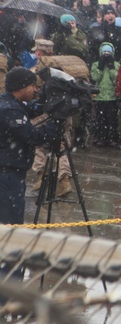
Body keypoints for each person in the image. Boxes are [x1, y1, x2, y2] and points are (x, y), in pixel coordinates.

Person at [0, 68, 59, 224]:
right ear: (21, 87)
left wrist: (50, 101)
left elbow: (32, 109)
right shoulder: (10, 110)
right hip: (7, 174)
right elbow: (33, 136)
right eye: (32, 85)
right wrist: (55, 125)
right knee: (10, 223)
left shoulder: (10, 103)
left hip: (11, 172)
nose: (35, 89)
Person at [90, 43, 120, 147]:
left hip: (112, 96)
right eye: (104, 52)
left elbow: (116, 79)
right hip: (100, 96)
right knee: (100, 119)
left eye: (108, 52)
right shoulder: (95, 64)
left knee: (112, 119)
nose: (106, 54)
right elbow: (95, 78)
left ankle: (112, 138)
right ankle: (101, 138)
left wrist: (111, 67)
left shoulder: (116, 64)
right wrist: (100, 67)